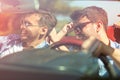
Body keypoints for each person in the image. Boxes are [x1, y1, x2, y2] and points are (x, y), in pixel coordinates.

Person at [68, 6, 120, 77]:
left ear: (98, 26)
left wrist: (106, 49)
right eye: (75, 28)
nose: (76, 31)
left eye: (80, 26)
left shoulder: (118, 49)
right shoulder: (73, 50)